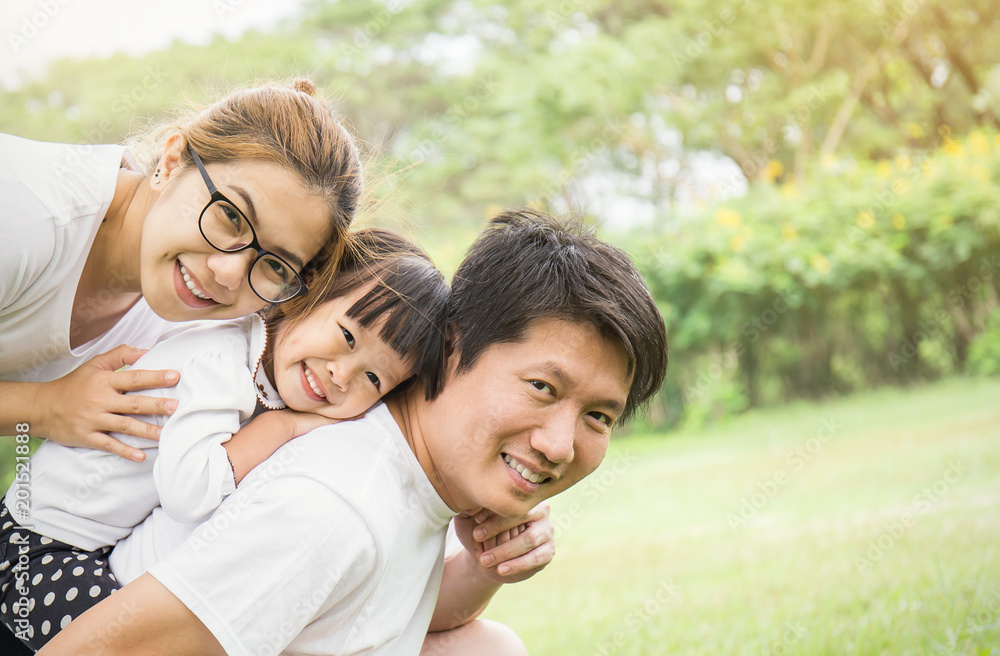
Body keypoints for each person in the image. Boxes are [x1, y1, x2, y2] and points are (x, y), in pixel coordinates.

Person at [39, 209, 670, 656]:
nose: (560, 445)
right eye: (542, 388)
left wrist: (481, 568)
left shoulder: (413, 477)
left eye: (598, 417)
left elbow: (396, 606)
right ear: (451, 349)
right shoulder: (333, 502)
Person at [0, 228, 449, 650]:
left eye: (373, 377)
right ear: (306, 291)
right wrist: (281, 428)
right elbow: (191, 491)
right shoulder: (219, 364)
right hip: (33, 552)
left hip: (81, 548)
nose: (340, 373)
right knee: (145, 637)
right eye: (347, 336)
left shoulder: (268, 370)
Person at [0, 78, 362, 462]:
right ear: (171, 163)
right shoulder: (27, 211)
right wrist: (45, 407)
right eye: (230, 215)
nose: (228, 274)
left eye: (275, 265)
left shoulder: (190, 325)